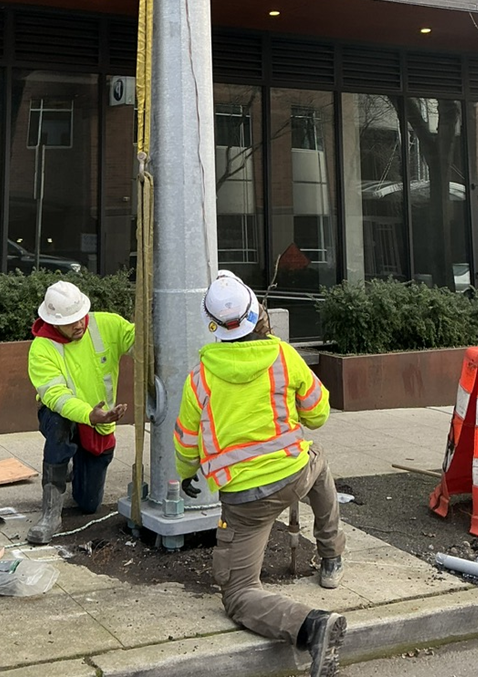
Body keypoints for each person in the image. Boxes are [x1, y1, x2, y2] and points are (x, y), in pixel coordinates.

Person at [174, 270, 347, 677]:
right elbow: (318, 414)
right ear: (256, 314)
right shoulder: (283, 356)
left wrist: (187, 475)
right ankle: (332, 556)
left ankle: (313, 627)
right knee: (317, 460)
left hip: (245, 501)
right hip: (294, 475)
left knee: (238, 594)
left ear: (213, 325)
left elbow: (185, 442)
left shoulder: (199, 378)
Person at [27, 278, 135, 543]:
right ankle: (51, 514)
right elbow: (56, 397)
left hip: (100, 424)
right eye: (70, 321)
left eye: (81, 316)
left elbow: (141, 344)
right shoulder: (41, 348)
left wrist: (147, 316)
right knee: (59, 425)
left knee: (88, 504)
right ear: (52, 322)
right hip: (72, 417)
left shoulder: (107, 324)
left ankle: (77, 467)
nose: (78, 324)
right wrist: (89, 414)